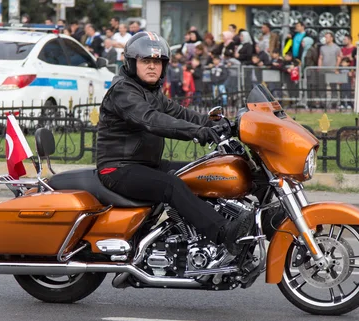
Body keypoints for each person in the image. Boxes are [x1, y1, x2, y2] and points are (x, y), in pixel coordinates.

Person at [96, 31, 253, 258]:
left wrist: (225, 125)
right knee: (172, 185)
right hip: (118, 168)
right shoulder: (123, 92)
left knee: (203, 173)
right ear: (131, 63)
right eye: (146, 61)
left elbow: (181, 114)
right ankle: (223, 233)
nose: (152, 66)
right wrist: (198, 133)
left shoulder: (151, 92)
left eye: (157, 62)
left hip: (146, 165)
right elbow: (151, 120)